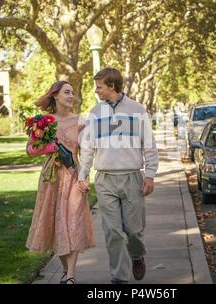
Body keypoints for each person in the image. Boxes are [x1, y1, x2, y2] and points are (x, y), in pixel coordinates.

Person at [77, 67, 159, 284]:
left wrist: (149, 175)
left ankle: (137, 255)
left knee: (133, 230)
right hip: (104, 179)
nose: (96, 91)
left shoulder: (137, 110)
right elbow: (87, 148)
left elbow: (149, 145)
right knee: (112, 232)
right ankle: (119, 278)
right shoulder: (94, 113)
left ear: (112, 86)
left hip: (132, 177)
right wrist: (82, 175)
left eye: (99, 87)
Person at [25, 81, 95, 284]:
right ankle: (66, 272)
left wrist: (85, 177)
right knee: (57, 226)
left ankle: (71, 277)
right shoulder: (44, 122)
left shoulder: (81, 121)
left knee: (72, 224)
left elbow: (87, 153)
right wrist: (51, 149)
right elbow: (29, 150)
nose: (71, 96)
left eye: (72, 93)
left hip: (73, 176)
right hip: (51, 179)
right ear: (55, 95)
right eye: (66, 92)